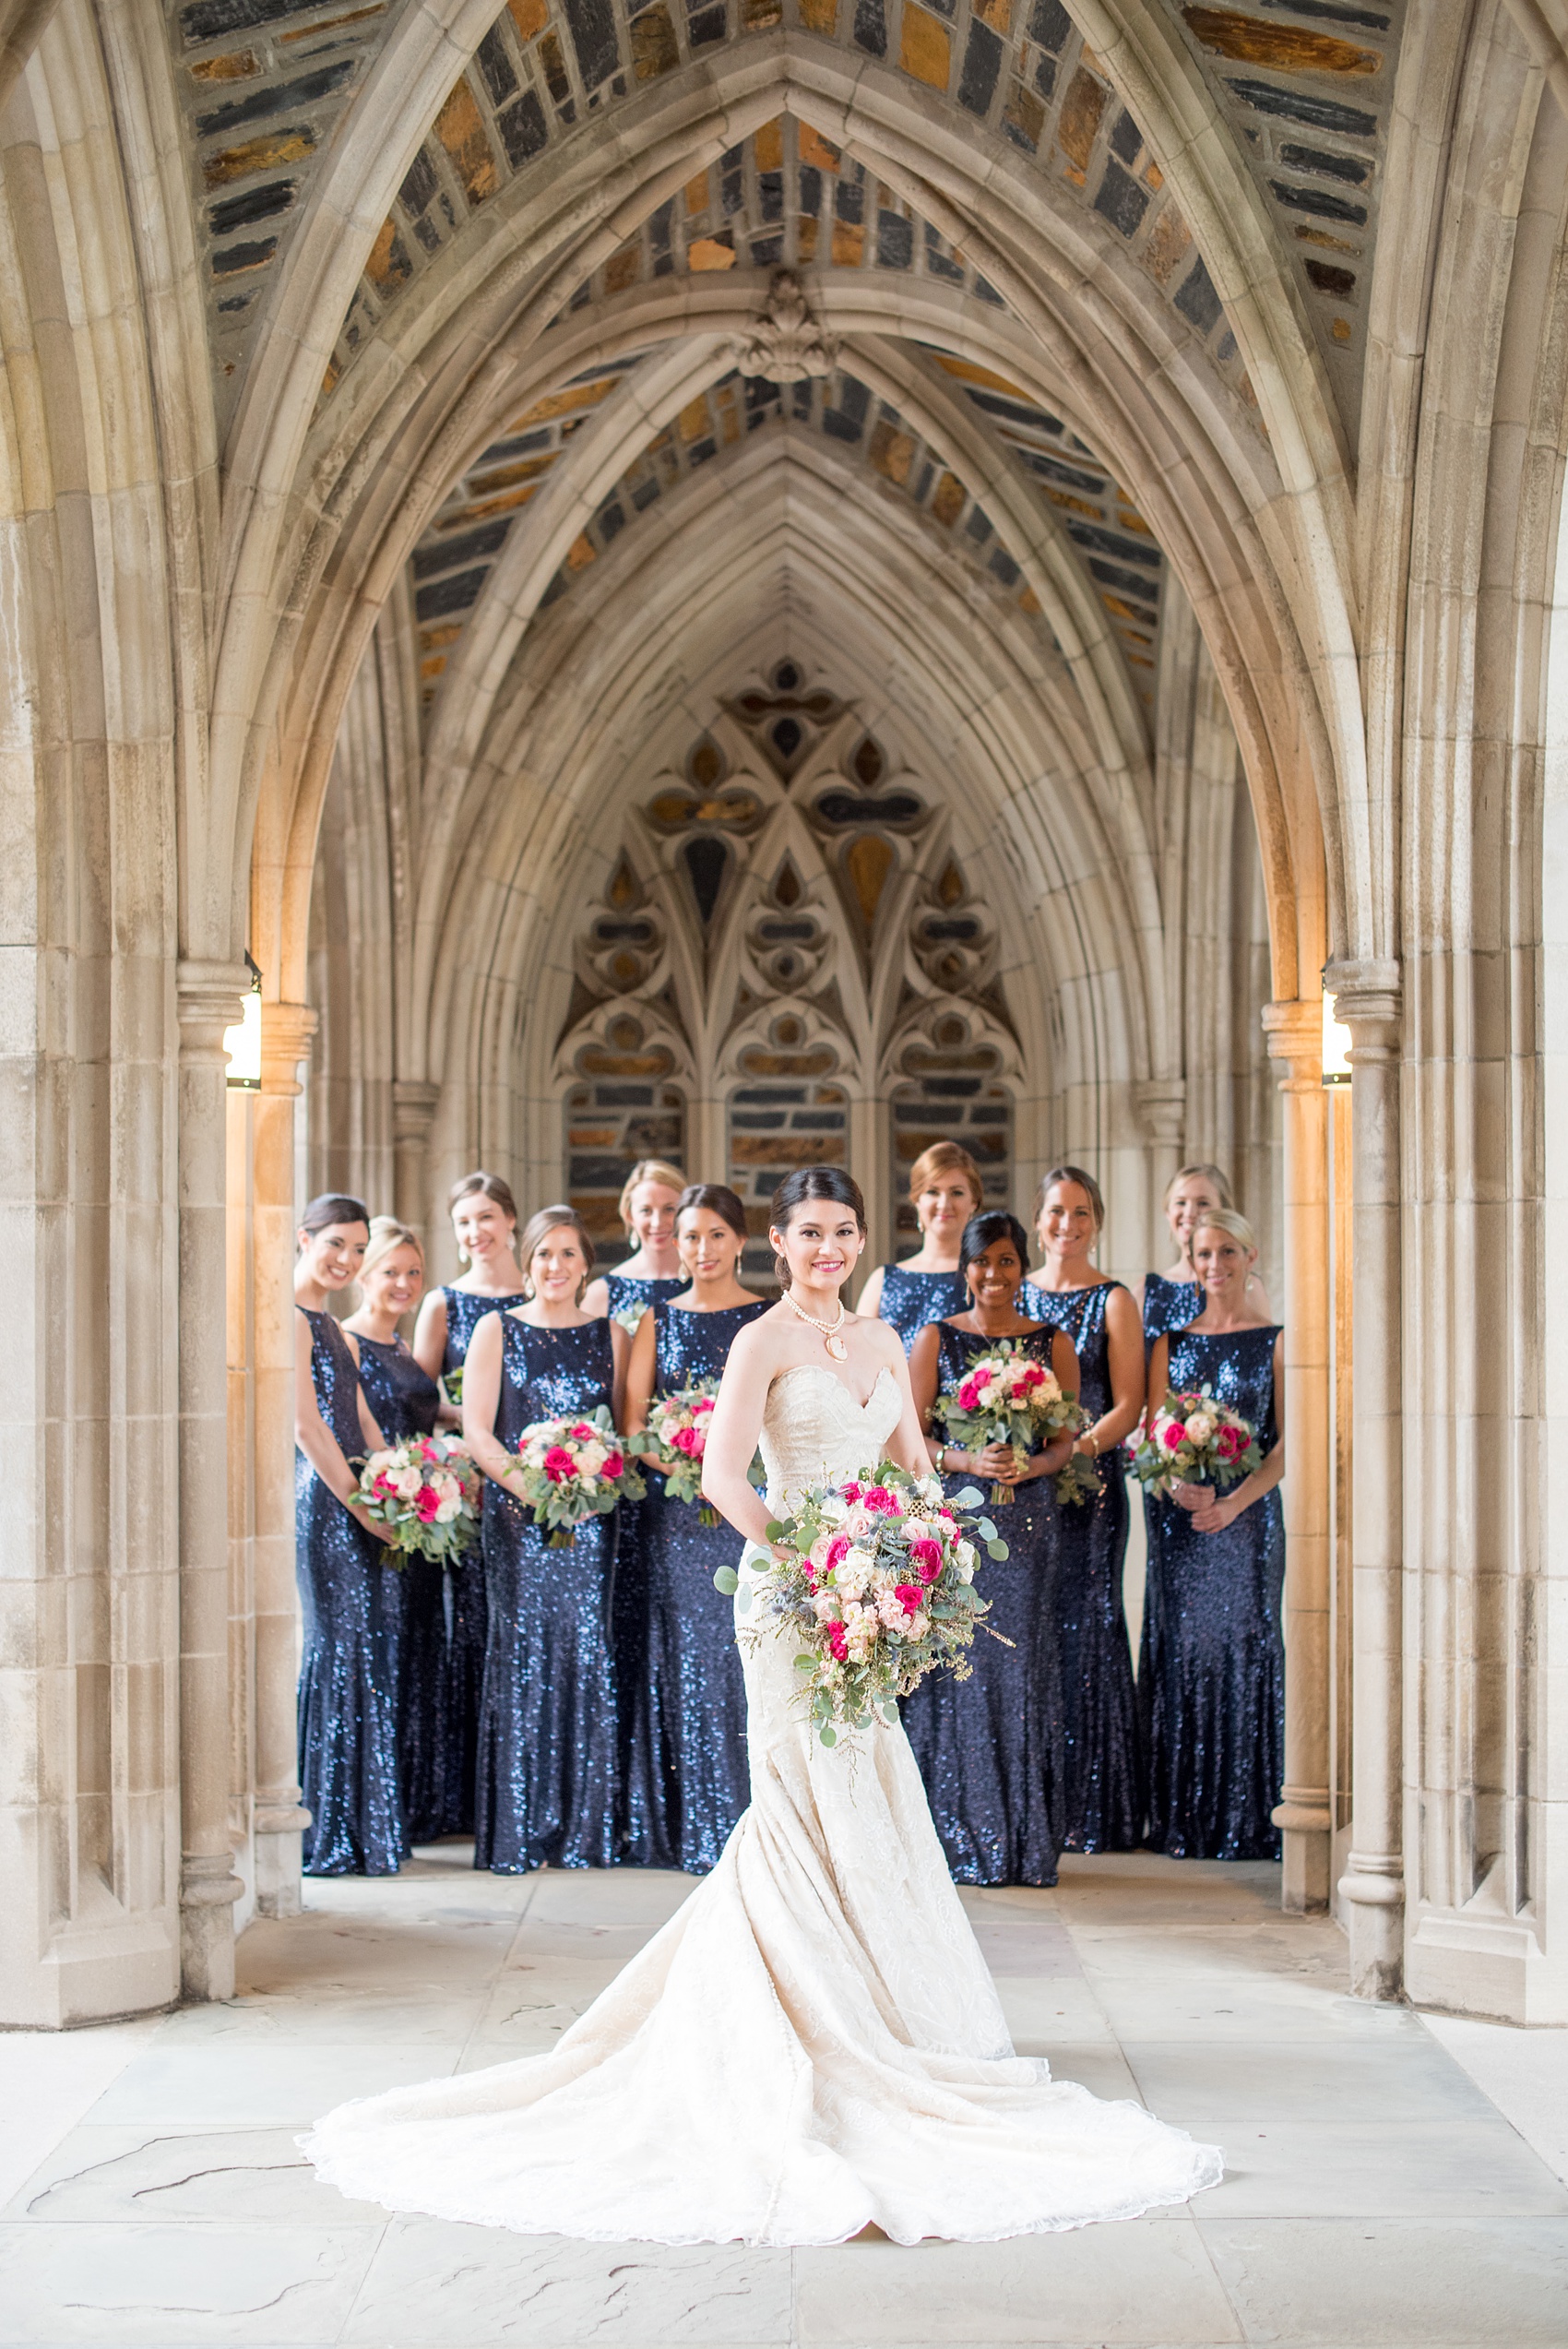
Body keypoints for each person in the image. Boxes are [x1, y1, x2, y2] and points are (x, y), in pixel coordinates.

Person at [303, 1165, 1221, 2244]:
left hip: (870, 1599)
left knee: (869, 1793)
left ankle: (881, 2012)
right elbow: (723, 1472)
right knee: (798, 1797)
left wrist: (913, 1559)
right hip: (789, 1596)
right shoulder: (760, 1342)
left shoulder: (882, 1340)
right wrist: (810, 1558)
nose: (827, 1248)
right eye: (809, 1233)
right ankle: (783, 2025)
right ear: (778, 1243)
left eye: (842, 1230)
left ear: (856, 1237)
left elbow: (913, 1466)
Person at [902, 1210, 1078, 1886]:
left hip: (1029, 1521)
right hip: (961, 1522)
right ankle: (952, 1834)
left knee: (1021, 1666)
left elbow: (1066, 1438)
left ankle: (1023, 1839)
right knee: (960, 1663)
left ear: (1022, 1266)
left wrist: (1031, 1467)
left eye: (1006, 1261)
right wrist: (968, 1462)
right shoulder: (936, 1339)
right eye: (982, 1262)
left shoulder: (1051, 1342)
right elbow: (912, 1439)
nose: (994, 1275)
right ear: (965, 1268)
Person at [461, 1205, 620, 1873]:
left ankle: (585, 1831)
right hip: (518, 1522)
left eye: (568, 1255)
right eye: (544, 1255)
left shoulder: (612, 1333)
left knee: (588, 1653)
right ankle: (519, 1828)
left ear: (586, 1264)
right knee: (524, 1656)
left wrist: (589, 1488)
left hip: (592, 1522)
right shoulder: (497, 1328)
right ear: (527, 1263)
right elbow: (477, 1430)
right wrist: (537, 1491)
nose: (555, 1267)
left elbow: (624, 1431)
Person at [619, 1183, 768, 1871]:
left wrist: (734, 1463)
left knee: (750, 1656)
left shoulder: (766, 1319)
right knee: (691, 1660)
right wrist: (688, 1460)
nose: (702, 1250)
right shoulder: (658, 1318)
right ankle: (694, 1824)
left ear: (741, 1241)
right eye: (690, 1237)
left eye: (715, 1235)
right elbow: (634, 1428)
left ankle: (760, 1824)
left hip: (750, 1511)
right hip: (678, 1516)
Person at [1143, 1209, 1285, 1860]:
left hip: (1246, 1522)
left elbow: (1286, 1445)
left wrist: (1233, 1502)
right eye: (1205, 1254)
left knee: (1246, 1648)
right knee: (1187, 1653)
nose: (1216, 1265)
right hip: (1184, 1523)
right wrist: (1176, 1486)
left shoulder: (1278, 1341)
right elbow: (1153, 1432)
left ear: (1250, 1256)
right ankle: (1185, 1821)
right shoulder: (1170, 1342)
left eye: (1229, 1251)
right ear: (1192, 1261)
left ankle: (1246, 1818)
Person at [1022, 1167, 1146, 1852]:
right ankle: (1039, 1797)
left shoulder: (1114, 1300)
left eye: (1080, 1213)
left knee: (1090, 1622)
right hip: (1028, 1489)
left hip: (1090, 1486)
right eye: (1055, 1213)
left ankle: (1096, 1808)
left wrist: (1077, 1450)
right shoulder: (1019, 1295)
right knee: (1035, 1624)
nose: (1066, 1225)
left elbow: (1129, 1401)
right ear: (1037, 1220)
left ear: (1095, 1221)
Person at [412, 1171, 529, 1834]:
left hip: (538, 1487)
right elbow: (421, 1400)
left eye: (486, 1217)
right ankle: (465, 1794)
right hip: (473, 1489)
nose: (476, 1232)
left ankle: (513, 1786)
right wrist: (476, 1420)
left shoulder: (539, 1291)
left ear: (511, 1220)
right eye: (463, 1223)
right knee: (471, 1631)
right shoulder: (444, 1303)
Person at [293, 1193, 405, 1876]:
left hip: (364, 1496)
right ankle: (329, 1828)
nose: (348, 1258)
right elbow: (308, 1428)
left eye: (358, 1248)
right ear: (304, 1239)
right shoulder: (287, 1318)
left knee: (366, 1654)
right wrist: (363, 1507)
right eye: (336, 1243)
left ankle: (364, 1829)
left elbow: (361, 1418)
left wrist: (403, 1486)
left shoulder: (330, 1325)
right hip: (327, 1504)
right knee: (337, 1653)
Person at [344, 1217, 447, 1846]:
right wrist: (384, 1500)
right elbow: (346, 1433)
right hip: (374, 1515)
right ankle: (372, 1816)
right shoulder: (349, 1342)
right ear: (363, 1275)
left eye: (413, 1272)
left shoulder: (404, 1346)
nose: (404, 1283)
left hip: (421, 1516)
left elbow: (425, 1414)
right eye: (391, 1272)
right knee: (378, 1654)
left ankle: (406, 1804)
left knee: (413, 1654)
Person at [857, 1140, 982, 1352]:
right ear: (917, 1201)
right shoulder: (882, 1281)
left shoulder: (986, 1277)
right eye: (933, 1192)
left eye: (957, 1192)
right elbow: (857, 1358)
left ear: (974, 1203)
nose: (944, 1203)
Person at [1141, 1163, 1273, 1348]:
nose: (1190, 1213)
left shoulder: (1247, 1284)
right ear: (1167, 1212)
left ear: (1223, 1211)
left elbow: (1263, 1352)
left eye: (1202, 1203)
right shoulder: (1145, 1291)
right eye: (1180, 1202)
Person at [580, 1156, 686, 1350]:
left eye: (669, 1209)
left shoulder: (705, 1283)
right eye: (646, 1210)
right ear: (629, 1216)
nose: (657, 1222)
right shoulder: (602, 1294)